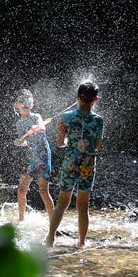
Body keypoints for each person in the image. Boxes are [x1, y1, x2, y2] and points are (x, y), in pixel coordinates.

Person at [45, 81, 104, 248]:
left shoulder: (67, 117)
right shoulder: (98, 121)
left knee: (62, 201)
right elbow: (97, 146)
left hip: (70, 161)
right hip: (87, 163)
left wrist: (68, 141)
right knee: (83, 205)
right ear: (96, 99)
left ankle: (50, 237)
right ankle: (82, 242)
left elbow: (60, 142)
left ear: (77, 97)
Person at [13, 90, 55, 222]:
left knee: (43, 190)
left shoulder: (36, 116)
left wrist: (36, 127)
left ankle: (54, 225)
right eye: (23, 102)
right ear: (17, 105)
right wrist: (20, 142)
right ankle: (21, 221)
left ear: (32, 104)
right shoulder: (19, 123)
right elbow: (24, 141)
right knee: (21, 189)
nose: (26, 104)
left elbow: (43, 128)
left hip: (43, 155)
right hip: (31, 158)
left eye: (29, 102)